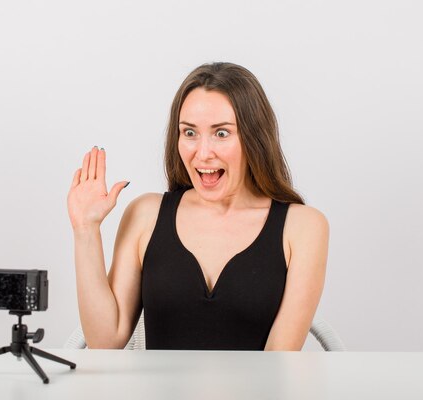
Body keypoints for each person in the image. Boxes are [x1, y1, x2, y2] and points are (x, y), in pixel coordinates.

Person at [67, 62, 329, 351]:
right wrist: (85, 230)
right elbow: (105, 341)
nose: (203, 153)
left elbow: (278, 364)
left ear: (254, 138)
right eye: (189, 133)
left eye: (221, 133)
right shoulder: (145, 214)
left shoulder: (303, 227)